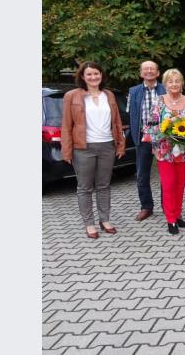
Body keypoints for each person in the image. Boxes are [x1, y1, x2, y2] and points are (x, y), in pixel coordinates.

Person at [60, 61, 126, 239]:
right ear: (82, 76)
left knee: (104, 185)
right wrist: (66, 151)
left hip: (107, 146)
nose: (93, 77)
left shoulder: (109, 95)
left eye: (96, 73)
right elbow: (66, 125)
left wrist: (120, 144)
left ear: (101, 75)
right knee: (84, 188)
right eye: (89, 74)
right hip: (83, 148)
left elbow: (117, 123)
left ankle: (104, 220)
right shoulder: (72, 96)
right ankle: (89, 223)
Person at [146, 69, 185, 235]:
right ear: (165, 84)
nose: (174, 84)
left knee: (180, 184)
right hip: (164, 151)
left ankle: (178, 214)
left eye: (177, 81)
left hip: (184, 151)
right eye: (170, 81)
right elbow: (150, 127)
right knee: (168, 185)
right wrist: (166, 131)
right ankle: (170, 219)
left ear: (182, 84)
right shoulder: (159, 102)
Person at [127, 60, 166, 222]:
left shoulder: (165, 88)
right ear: (141, 72)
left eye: (152, 69)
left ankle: (167, 206)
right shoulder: (134, 91)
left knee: (166, 174)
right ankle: (146, 207)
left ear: (158, 73)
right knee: (142, 175)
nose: (149, 71)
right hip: (143, 138)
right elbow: (131, 114)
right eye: (146, 69)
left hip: (163, 138)